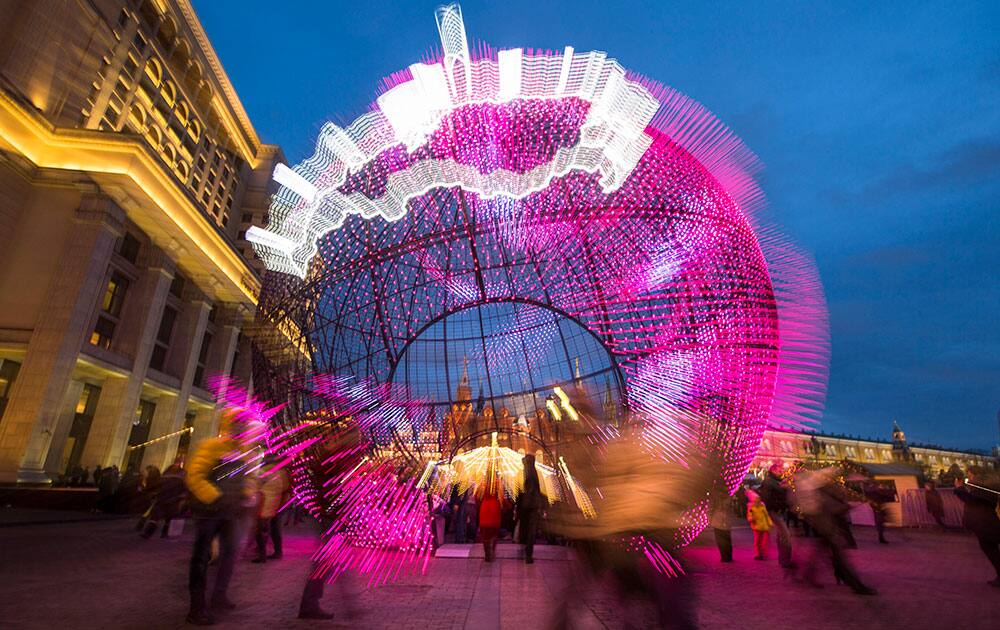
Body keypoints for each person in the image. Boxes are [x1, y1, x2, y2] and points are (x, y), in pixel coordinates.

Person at [184, 410, 256, 625]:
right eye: (238, 424)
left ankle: (219, 595)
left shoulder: (244, 451)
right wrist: (216, 498)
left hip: (231, 513)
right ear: (230, 425)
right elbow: (195, 476)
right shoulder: (211, 446)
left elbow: (250, 478)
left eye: (245, 425)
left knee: (230, 554)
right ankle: (196, 608)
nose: (242, 428)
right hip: (209, 513)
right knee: (201, 558)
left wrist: (247, 495)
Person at [794, 467, 876, 595]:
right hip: (825, 522)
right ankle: (855, 584)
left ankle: (810, 574)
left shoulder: (809, 486)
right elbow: (829, 504)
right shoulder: (815, 486)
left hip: (823, 522)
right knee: (838, 554)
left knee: (823, 550)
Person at [954, 473, 1000, 587]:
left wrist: (959, 488)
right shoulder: (983, 489)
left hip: (988, 525)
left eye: (970, 476)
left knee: (992, 551)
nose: (968, 479)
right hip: (985, 526)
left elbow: (972, 500)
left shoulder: (985, 489)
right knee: (991, 551)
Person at [252, 455, 290, 563]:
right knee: (274, 529)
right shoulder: (280, 472)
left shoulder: (263, 472)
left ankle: (262, 555)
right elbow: (285, 489)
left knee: (259, 529)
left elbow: (256, 486)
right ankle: (277, 551)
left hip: (264, 505)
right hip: (277, 505)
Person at [758, 463, 795, 568]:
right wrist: (777, 506)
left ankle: (783, 560)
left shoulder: (775, 481)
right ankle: (786, 561)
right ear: (773, 470)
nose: (782, 472)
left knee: (781, 536)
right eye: (780, 470)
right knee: (785, 535)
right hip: (774, 511)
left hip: (777, 510)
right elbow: (767, 498)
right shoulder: (769, 482)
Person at [143, 463, 186, 538]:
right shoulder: (180, 478)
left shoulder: (165, 476)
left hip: (163, 498)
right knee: (168, 517)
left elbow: (158, 486)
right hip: (172, 499)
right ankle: (163, 533)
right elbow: (183, 489)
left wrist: (155, 494)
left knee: (156, 517)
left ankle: (149, 533)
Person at [516, 454, 545, 564]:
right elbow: (539, 491)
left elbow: (519, 491)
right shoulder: (535, 473)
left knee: (525, 528)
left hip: (524, 505)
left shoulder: (523, 473)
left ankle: (525, 551)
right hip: (533, 506)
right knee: (531, 530)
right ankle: (528, 554)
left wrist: (517, 506)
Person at [478, 474, 502, 562]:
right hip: (494, 508)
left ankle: (487, 553)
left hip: (484, 508)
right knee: (494, 533)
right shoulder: (498, 484)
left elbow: (477, 496)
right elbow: (502, 497)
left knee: (485, 534)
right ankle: (492, 550)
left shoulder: (483, 484)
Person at [747, 491, 773, 560]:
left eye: (758, 498)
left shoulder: (762, 506)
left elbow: (766, 515)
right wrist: (751, 519)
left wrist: (770, 523)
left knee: (765, 542)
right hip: (756, 527)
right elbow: (749, 515)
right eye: (756, 499)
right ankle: (758, 554)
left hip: (764, 526)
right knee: (757, 542)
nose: (758, 500)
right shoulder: (751, 508)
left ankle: (764, 554)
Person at [710, 495, 733, 563]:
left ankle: (724, 557)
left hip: (717, 520)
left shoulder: (714, 496)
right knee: (727, 539)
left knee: (720, 540)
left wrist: (710, 519)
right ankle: (728, 556)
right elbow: (730, 508)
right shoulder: (729, 496)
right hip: (726, 520)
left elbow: (711, 508)